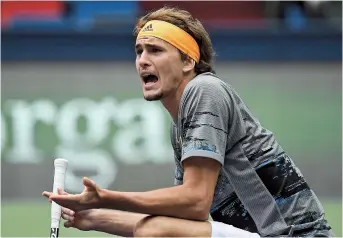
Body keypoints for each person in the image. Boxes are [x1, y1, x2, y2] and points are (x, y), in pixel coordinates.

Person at [43, 6, 335, 237]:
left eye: (155, 50)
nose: (142, 60)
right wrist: (93, 217)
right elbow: (186, 216)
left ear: (187, 62)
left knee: (155, 230)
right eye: (139, 51)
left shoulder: (205, 90)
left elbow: (194, 201)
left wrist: (105, 198)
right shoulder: (180, 127)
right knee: (159, 228)